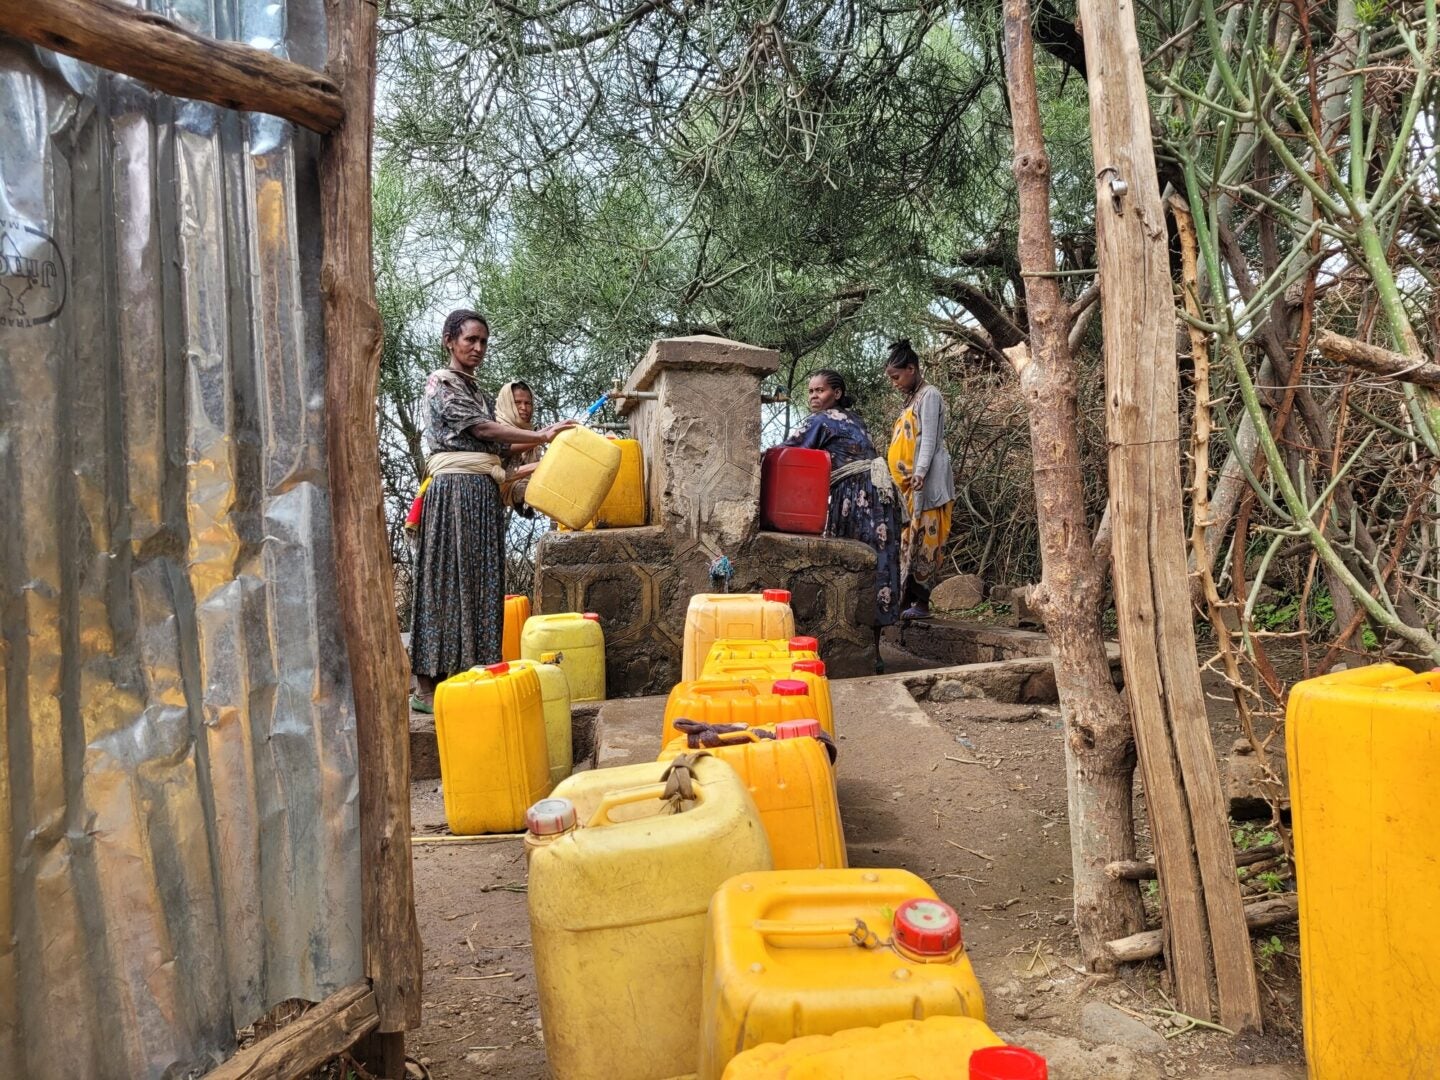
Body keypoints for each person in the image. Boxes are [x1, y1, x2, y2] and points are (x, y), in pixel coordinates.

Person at [408, 311, 574, 712]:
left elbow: (498, 448)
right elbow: (483, 431)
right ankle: (428, 687)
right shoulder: (441, 383)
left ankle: (472, 674)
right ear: (450, 340)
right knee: (446, 582)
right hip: (455, 494)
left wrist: (551, 437)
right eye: (470, 340)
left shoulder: (476, 391)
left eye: (483, 341)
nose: (478, 348)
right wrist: (539, 434)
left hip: (480, 496)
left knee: (482, 584)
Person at [782, 369, 902, 672]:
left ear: (836, 393)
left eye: (819, 391)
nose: (813, 397)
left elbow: (785, 452)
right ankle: (873, 653)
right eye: (810, 392)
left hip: (856, 498)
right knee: (879, 567)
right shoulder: (855, 419)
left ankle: (847, 651)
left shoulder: (820, 421)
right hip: (880, 499)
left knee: (849, 567)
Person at [885, 339, 954, 619]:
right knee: (906, 543)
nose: (894, 383)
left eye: (896, 377)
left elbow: (928, 439)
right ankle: (904, 601)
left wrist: (921, 472)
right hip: (910, 488)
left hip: (927, 485)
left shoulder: (930, 395)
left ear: (912, 369)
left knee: (926, 542)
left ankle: (922, 604)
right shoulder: (911, 400)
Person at [496, 380, 542, 512]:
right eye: (517, 402)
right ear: (507, 404)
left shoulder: (531, 435)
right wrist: (540, 465)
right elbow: (498, 475)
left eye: (528, 403)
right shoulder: (493, 430)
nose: (524, 407)